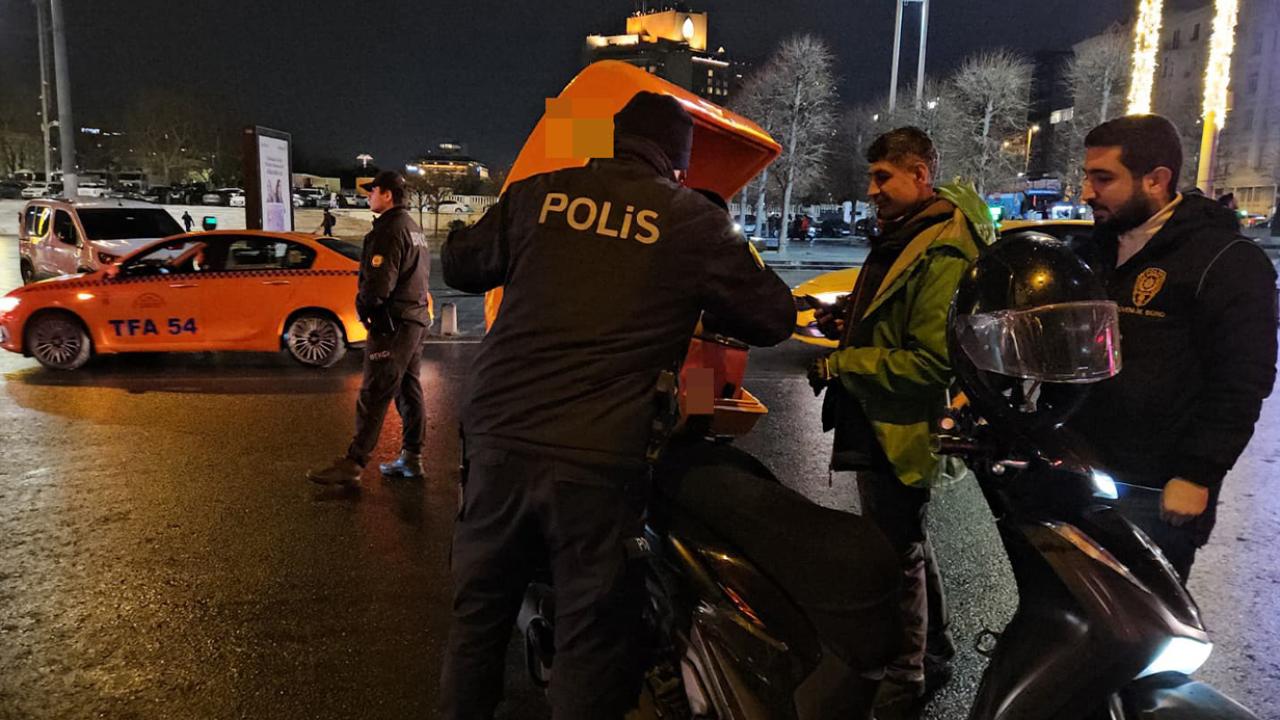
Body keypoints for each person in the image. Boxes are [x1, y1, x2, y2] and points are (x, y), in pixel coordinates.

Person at [438, 91, 795, 720]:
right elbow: (772, 317)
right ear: (677, 162)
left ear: (608, 140)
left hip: (499, 435)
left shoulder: (540, 193)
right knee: (590, 631)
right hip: (597, 456)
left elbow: (461, 266)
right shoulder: (691, 219)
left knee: (479, 613)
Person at [808, 126, 993, 719]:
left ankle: (904, 677)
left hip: (898, 423)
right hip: (878, 414)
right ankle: (933, 653)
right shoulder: (911, 232)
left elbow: (931, 361)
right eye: (871, 177)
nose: (872, 190)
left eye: (883, 177)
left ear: (920, 174)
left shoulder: (943, 247)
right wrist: (850, 321)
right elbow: (895, 318)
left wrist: (842, 362)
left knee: (894, 552)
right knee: (903, 537)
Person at [1070, 115, 1277, 583]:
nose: (1086, 192)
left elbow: (1242, 381)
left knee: (1140, 617)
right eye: (1087, 176)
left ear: (1156, 180)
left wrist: (1197, 474)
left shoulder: (1225, 261)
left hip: (1156, 490)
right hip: (1080, 470)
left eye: (1103, 178)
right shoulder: (1095, 252)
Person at [306, 170, 432, 486]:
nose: (368, 196)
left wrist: (366, 310)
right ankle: (412, 457)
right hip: (414, 320)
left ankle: (354, 462)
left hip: (393, 324)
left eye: (372, 190)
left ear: (387, 194)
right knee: (408, 389)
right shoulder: (413, 227)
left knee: (374, 392)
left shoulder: (388, 230)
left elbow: (378, 285)